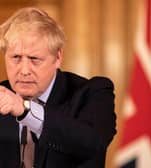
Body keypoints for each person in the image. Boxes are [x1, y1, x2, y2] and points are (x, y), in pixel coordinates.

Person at [0, 7, 116, 168]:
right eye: (16, 58)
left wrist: (25, 110)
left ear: (57, 57)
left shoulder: (93, 92)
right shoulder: (2, 95)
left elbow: (93, 144)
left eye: (34, 59)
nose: (24, 70)